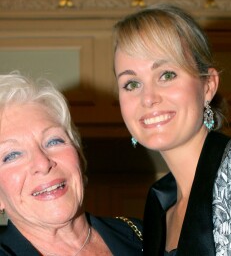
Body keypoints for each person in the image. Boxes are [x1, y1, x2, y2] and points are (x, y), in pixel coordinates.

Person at [113, 3, 231, 255]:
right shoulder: (158, 208)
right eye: (131, 83)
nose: (148, 98)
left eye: (166, 75)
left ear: (208, 86)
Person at [0, 71, 143, 255]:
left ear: (78, 154)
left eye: (53, 141)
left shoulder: (142, 235)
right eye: (12, 155)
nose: (43, 164)